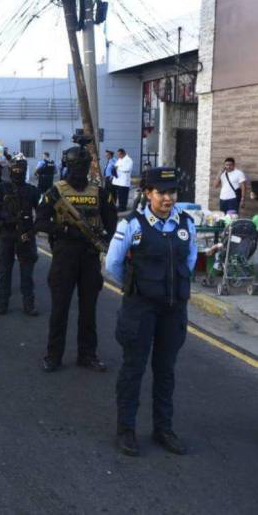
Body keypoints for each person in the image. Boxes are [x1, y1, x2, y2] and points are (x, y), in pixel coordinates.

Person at [105, 167, 196, 457]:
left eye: (172, 192)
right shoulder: (131, 225)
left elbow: (190, 260)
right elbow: (113, 266)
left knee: (165, 371)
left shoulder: (186, 223)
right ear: (147, 193)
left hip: (173, 310)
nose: (168, 198)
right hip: (140, 310)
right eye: (162, 192)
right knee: (133, 370)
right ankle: (126, 430)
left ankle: (163, 429)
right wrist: (139, 288)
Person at [35, 138, 117, 373]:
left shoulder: (99, 193)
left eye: (84, 165)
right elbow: (40, 221)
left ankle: (87, 354)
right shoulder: (56, 192)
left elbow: (112, 224)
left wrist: (104, 242)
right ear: (68, 166)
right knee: (60, 308)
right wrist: (62, 229)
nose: (80, 170)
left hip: (90, 256)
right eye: (76, 165)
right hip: (64, 255)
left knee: (88, 310)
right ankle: (53, 355)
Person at [0, 157, 40, 315]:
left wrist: (33, 229)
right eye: (15, 170)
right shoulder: (1, 188)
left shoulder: (32, 190)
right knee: (4, 271)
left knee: (27, 273)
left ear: (24, 172)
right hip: (7, 233)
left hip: (25, 234)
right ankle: (2, 304)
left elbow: (43, 212)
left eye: (20, 170)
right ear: (10, 171)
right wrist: (6, 217)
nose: (17, 173)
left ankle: (28, 304)